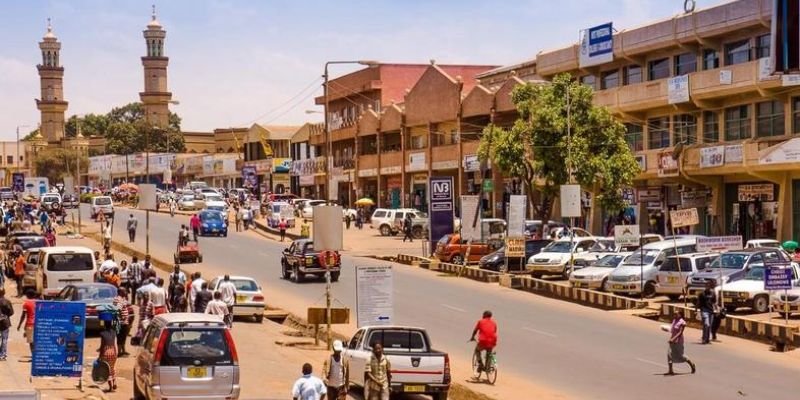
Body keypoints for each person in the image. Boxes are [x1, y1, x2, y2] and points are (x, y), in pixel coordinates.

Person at [667, 310, 696, 375]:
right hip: (672, 339)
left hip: (678, 341)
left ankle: (692, 364)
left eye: (676, 314)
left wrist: (673, 339)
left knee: (681, 355)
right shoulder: (674, 320)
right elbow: (672, 330)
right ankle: (670, 371)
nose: (674, 315)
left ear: (680, 315)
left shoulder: (682, 322)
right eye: (674, 314)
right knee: (669, 354)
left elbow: (680, 332)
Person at [470, 310, 498, 377]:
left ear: (484, 315)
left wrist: (472, 337)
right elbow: (494, 332)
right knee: (489, 352)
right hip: (492, 341)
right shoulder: (494, 323)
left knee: (477, 350)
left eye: (483, 315)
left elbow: (475, 330)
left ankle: (480, 364)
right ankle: (487, 367)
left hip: (483, 341)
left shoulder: (480, 321)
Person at [98, 316, 118, 392]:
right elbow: (115, 344)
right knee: (112, 368)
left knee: (107, 370)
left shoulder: (102, 333)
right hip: (113, 351)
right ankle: (115, 382)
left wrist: (100, 355)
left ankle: (110, 387)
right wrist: (116, 353)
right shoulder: (114, 332)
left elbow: (102, 345)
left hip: (106, 352)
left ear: (105, 324)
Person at [113, 287, 133, 357]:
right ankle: (119, 352)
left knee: (123, 337)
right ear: (121, 292)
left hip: (124, 322)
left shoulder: (122, 299)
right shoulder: (118, 299)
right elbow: (117, 310)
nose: (126, 292)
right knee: (120, 337)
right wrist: (122, 317)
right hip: (121, 322)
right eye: (124, 291)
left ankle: (123, 350)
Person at [17, 289, 36, 355]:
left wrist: (19, 325)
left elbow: (23, 315)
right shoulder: (38, 302)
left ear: (28, 295)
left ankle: (33, 356)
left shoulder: (26, 303)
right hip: (38, 323)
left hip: (30, 324)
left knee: (31, 341)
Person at [0, 288, 14, 361]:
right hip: (5, 322)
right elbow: (11, 312)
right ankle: (2, 355)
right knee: (4, 339)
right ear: (4, 293)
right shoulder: (7, 301)